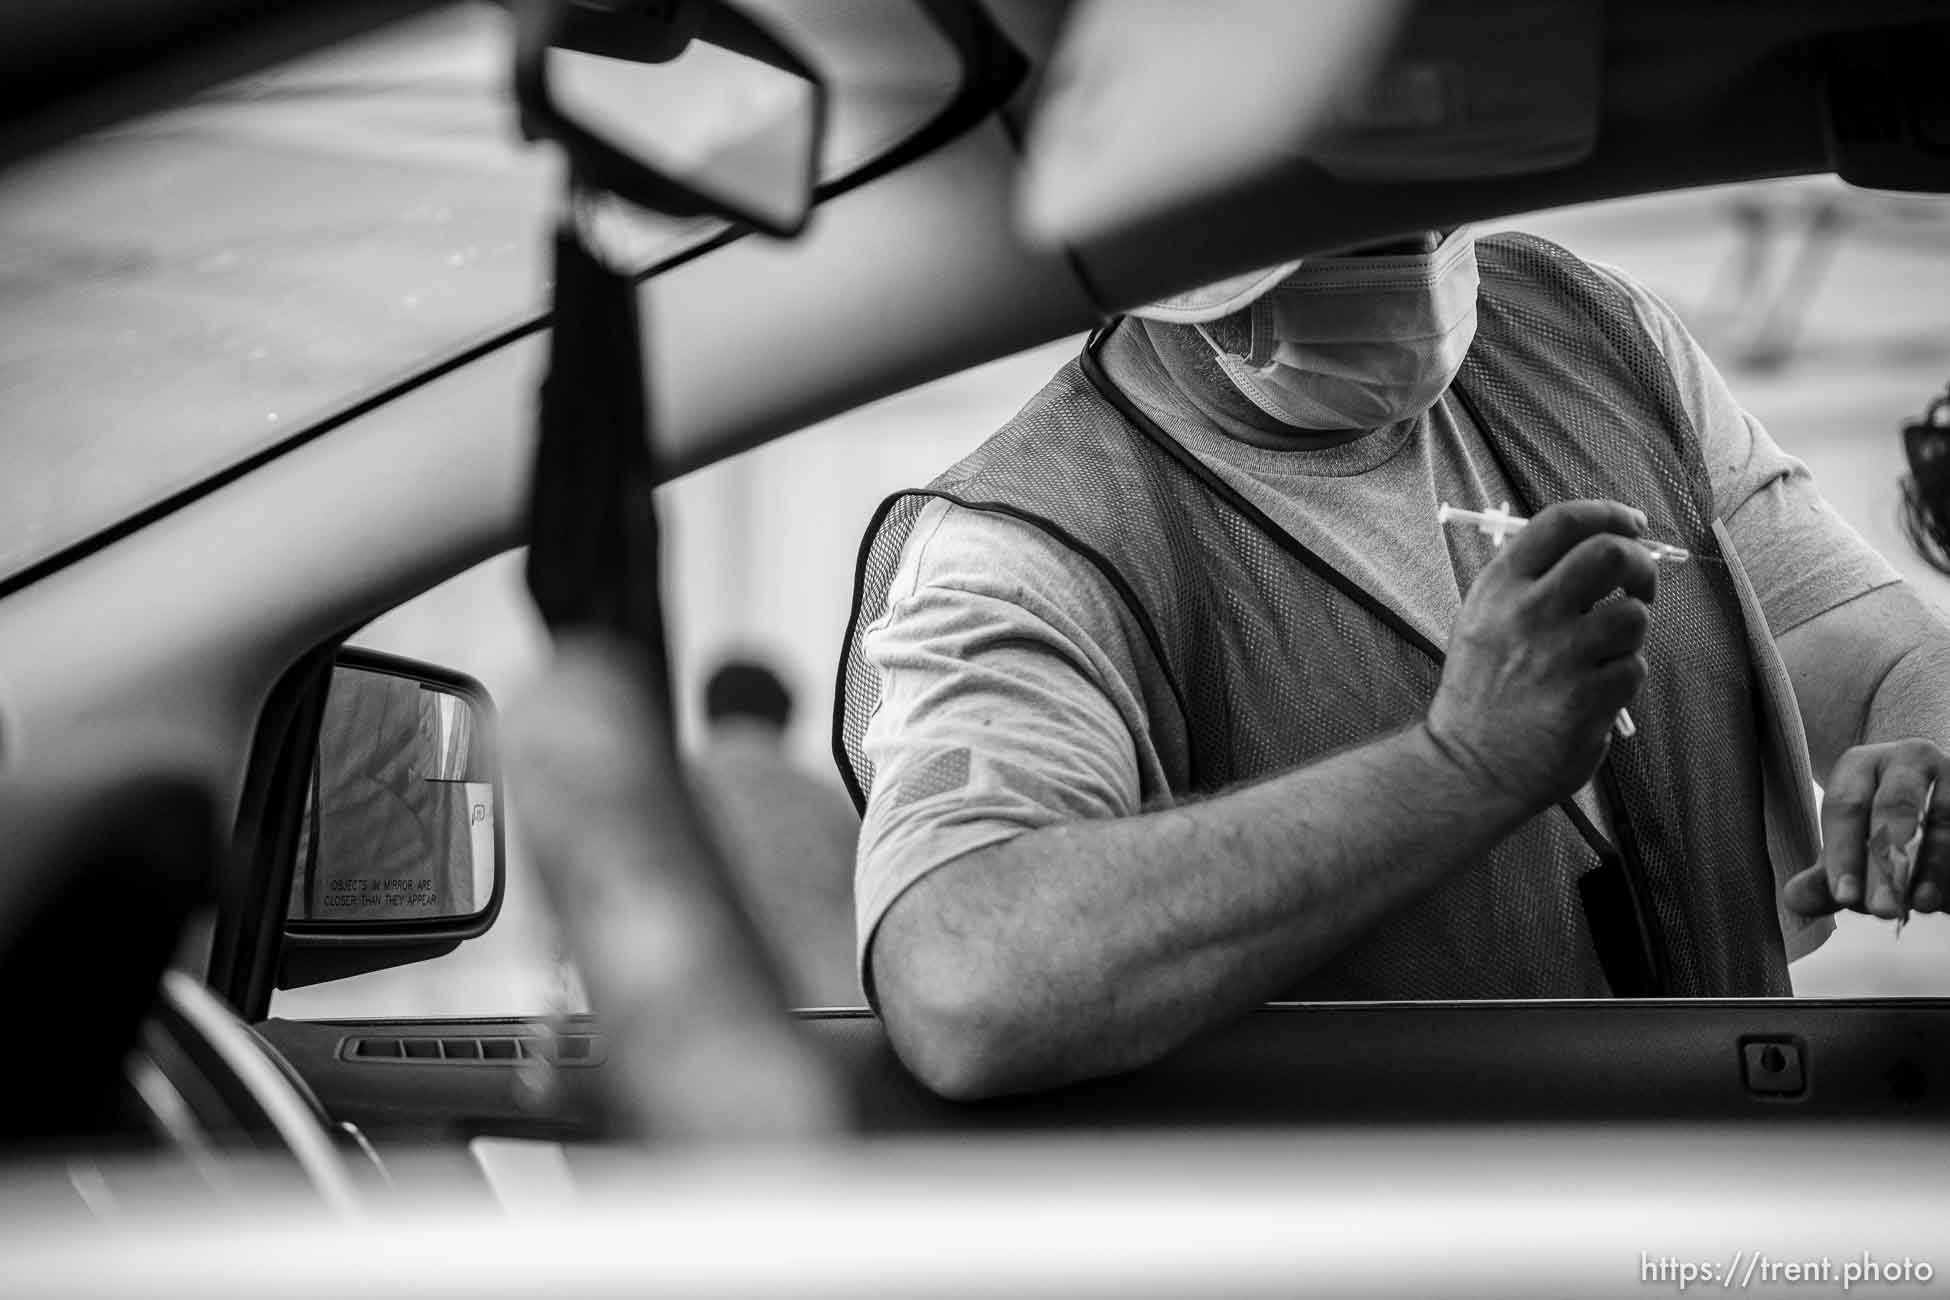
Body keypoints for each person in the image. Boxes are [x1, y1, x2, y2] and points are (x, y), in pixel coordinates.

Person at [834, 226, 1950, 1100]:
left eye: (1432, 209)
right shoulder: (1028, 547)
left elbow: (1887, 662)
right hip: (1394, 1238)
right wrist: (1461, 767)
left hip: (1716, 1159)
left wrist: (1928, 765)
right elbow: (965, 983)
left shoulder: (1594, 338)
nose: (1417, 267)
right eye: (1352, 229)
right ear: (1175, 257)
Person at [689, 657, 863, 1008]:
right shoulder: (826, 801)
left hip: (710, 1000)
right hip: (823, 1003)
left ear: (707, 713)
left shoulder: (675, 793)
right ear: (785, 719)